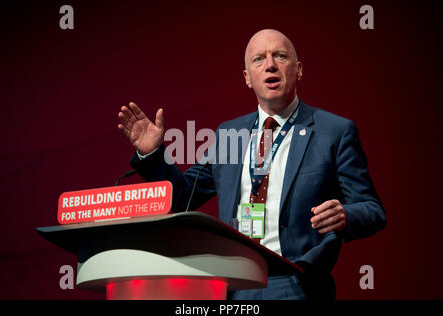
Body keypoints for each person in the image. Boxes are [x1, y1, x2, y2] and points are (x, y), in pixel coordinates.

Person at [117, 29, 386, 300]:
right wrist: (152, 153)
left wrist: (345, 215)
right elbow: (184, 197)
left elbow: (372, 209)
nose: (270, 64)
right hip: (234, 284)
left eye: (280, 56)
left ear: (299, 69)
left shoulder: (335, 131)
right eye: (259, 59)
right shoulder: (229, 134)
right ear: (247, 78)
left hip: (295, 281)